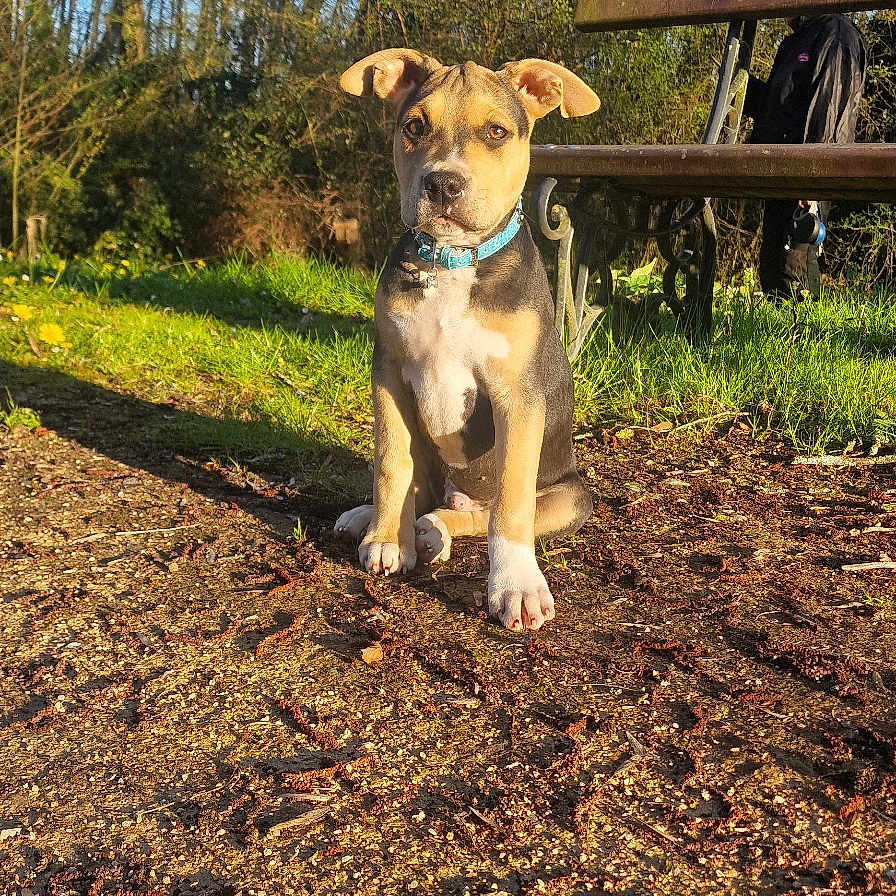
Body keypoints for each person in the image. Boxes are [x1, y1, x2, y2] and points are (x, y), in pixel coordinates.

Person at [744, 14, 867, 300]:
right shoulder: (794, 41)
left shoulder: (835, 32)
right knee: (772, 264)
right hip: (781, 171)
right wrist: (742, 86)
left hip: (809, 170)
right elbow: (779, 106)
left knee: (795, 265)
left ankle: (807, 338)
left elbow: (829, 107)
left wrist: (812, 179)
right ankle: (775, 340)